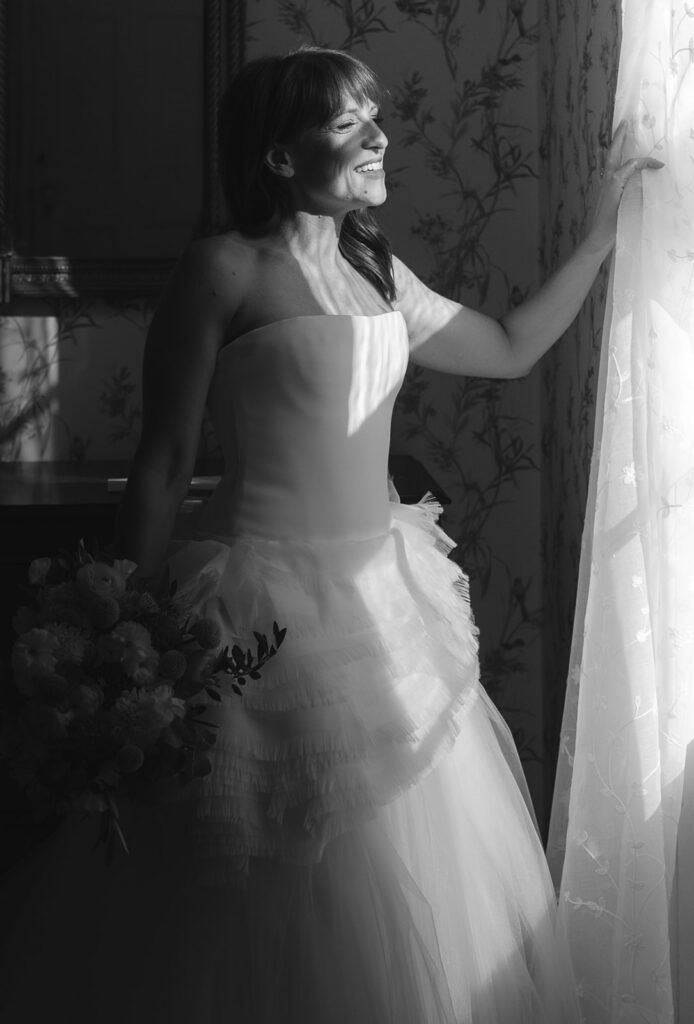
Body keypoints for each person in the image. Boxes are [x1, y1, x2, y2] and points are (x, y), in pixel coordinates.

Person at [0, 47, 662, 1024]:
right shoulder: (222, 266)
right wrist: (121, 645)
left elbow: (515, 349)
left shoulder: (376, 267)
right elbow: (164, 463)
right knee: (249, 863)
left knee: (394, 852)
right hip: (251, 609)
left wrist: (605, 229)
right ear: (277, 156)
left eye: (376, 115)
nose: (379, 135)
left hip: (380, 603)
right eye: (349, 122)